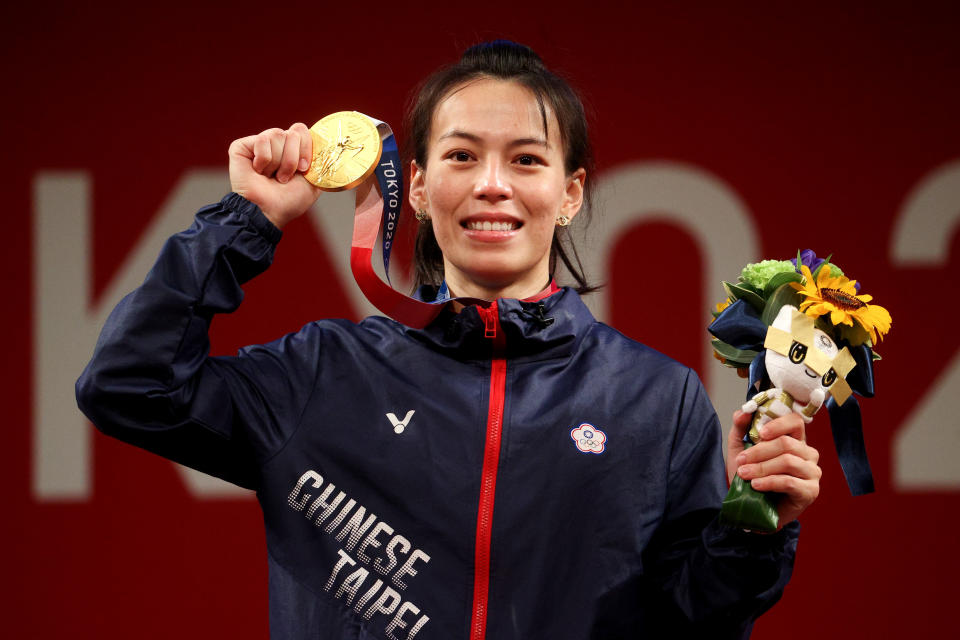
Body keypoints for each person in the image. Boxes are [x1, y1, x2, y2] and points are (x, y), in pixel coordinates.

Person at [77, 41, 821, 639]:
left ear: (570, 194)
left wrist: (756, 529)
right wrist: (248, 220)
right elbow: (128, 386)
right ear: (423, 188)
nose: (492, 184)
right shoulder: (324, 374)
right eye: (462, 156)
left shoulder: (656, 398)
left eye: (526, 159)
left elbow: (696, 620)